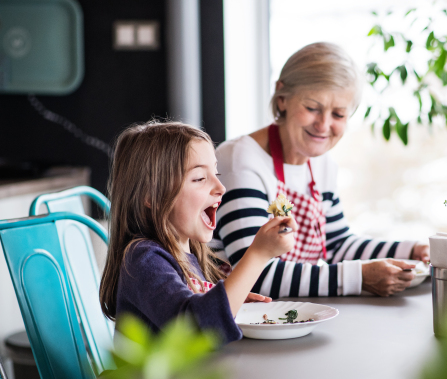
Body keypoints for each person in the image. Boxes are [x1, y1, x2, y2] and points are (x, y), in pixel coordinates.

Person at [213, 42, 430, 299]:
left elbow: (336, 244)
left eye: (338, 114)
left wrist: (410, 251)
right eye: (312, 108)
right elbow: (254, 276)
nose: (323, 125)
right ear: (282, 99)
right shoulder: (240, 160)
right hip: (235, 325)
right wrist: (359, 277)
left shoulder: (321, 165)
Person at [99, 121, 297, 344]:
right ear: (151, 196)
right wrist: (259, 254)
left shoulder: (192, 253)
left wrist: (231, 300)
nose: (221, 187)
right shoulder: (143, 259)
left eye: (216, 173)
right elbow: (196, 330)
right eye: (200, 178)